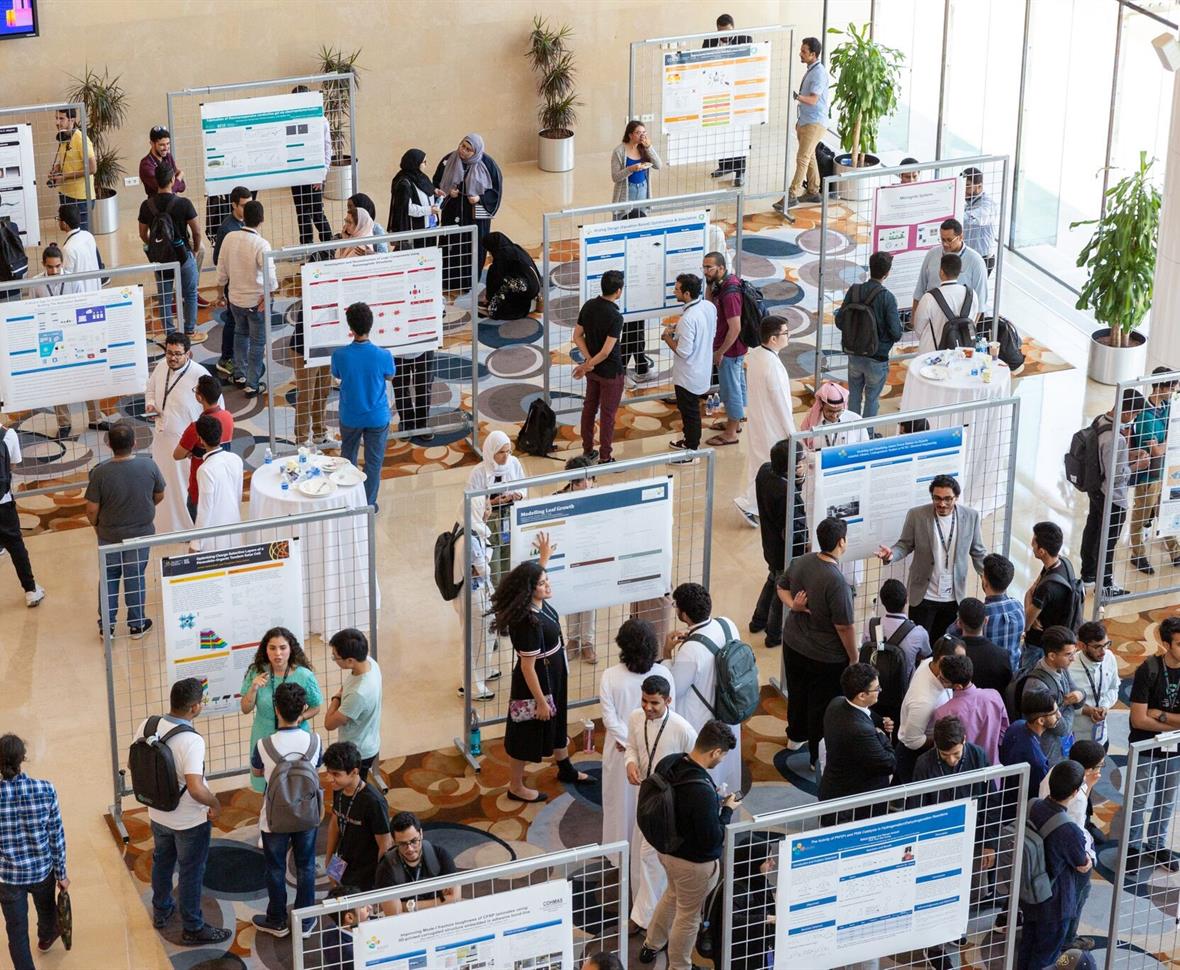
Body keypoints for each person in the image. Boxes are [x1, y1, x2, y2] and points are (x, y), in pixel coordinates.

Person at [492, 533, 592, 803]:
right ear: (530, 590)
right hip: (536, 681)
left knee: (558, 721)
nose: (548, 585)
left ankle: (565, 768)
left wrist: (543, 557)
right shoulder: (527, 622)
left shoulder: (536, 601)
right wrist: (539, 701)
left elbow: (537, 575)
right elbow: (527, 667)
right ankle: (515, 786)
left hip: (553, 673)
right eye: (543, 583)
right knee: (525, 732)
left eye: (547, 580)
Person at [639, 719, 740, 970]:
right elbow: (713, 838)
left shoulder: (671, 761)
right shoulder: (702, 791)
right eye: (722, 756)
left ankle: (651, 945)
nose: (721, 760)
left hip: (665, 849)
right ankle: (679, 966)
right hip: (693, 864)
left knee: (671, 895)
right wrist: (726, 810)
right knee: (688, 916)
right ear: (715, 752)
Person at [137, 678, 231, 945]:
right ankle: (193, 927)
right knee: (191, 872)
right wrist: (214, 804)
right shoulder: (191, 740)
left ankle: (162, 909)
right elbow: (195, 788)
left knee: (162, 862)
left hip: (157, 813)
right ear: (194, 707)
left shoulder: (148, 724)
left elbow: (137, 765)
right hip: (189, 820)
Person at [781, 517, 857, 767]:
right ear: (841, 542)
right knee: (821, 706)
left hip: (793, 643)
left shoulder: (802, 561)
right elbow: (844, 626)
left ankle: (795, 736)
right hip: (825, 656)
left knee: (797, 691)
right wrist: (854, 657)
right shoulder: (837, 582)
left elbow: (781, 588)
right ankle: (817, 756)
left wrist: (795, 606)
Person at [249, 681, 323, 939]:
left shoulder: (263, 745)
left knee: (275, 868)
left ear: (275, 708)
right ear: (303, 708)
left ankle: (276, 919)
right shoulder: (314, 741)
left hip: (274, 818)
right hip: (306, 815)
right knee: (306, 866)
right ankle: (305, 922)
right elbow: (317, 767)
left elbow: (258, 772)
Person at [624, 674, 697, 935]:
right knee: (645, 857)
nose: (647, 708)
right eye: (644, 701)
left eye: (654, 703)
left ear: (668, 700)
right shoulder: (635, 718)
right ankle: (646, 915)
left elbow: (695, 768)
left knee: (651, 858)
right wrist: (630, 763)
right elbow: (631, 747)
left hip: (669, 804)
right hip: (644, 796)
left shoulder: (683, 729)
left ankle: (647, 919)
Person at [876, 474, 988, 640]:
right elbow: (905, 544)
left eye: (948, 499)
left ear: (956, 497)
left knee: (945, 645)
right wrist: (891, 555)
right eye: (937, 498)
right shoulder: (917, 515)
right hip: (924, 595)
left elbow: (978, 551)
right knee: (919, 644)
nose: (942, 504)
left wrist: (989, 578)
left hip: (953, 596)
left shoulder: (971, 516)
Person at [86, 421, 165, 639]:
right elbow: (159, 495)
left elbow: (91, 509)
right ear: (135, 443)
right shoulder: (149, 466)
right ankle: (137, 624)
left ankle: (107, 627)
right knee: (135, 574)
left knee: (109, 576)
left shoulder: (99, 473)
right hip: (140, 534)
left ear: (109, 444)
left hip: (109, 535)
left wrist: (97, 526)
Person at [662, 582, 743, 793]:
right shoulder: (727, 624)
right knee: (727, 767)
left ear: (684, 614)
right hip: (730, 709)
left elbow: (673, 689)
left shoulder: (690, 650)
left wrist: (667, 654)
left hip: (703, 718)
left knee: (704, 776)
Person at [600, 620, 674, 847]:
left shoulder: (609, 676)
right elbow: (671, 713)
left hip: (619, 750)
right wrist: (641, 744)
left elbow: (609, 718)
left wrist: (628, 742)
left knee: (618, 803)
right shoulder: (664, 673)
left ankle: (617, 851)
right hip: (655, 748)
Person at [0, 734, 68, 968]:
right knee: (47, 909)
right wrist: (61, 874)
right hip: (42, 871)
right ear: (23, 759)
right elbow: (56, 836)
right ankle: (47, 937)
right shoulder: (45, 789)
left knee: (16, 933)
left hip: (8, 878)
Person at [1017, 760, 1091, 970]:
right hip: (1055, 902)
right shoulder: (1069, 830)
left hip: (1030, 892)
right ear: (1076, 791)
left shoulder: (1033, 805)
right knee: (1046, 956)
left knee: (1027, 944)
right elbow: (1082, 863)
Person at [30, 244, 109, 436]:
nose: (54, 271)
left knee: (88, 376)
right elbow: (31, 308)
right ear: (43, 265)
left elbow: (82, 306)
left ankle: (95, 418)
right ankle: (64, 423)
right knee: (57, 381)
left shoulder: (73, 280)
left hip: (76, 336)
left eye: (57, 266)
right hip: (50, 336)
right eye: (50, 267)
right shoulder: (36, 283)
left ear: (62, 264)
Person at [1125, 615, 1180, 872]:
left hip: (1175, 749)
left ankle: (1157, 845)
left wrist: (1157, 714)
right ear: (1167, 644)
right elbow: (1138, 720)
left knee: (1166, 799)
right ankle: (1133, 846)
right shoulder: (1149, 669)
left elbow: (1147, 716)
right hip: (1144, 745)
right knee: (1138, 798)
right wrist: (1173, 723)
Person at [240, 626, 323, 793]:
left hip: (296, 734)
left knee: (296, 785)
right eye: (272, 648)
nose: (278, 653)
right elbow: (245, 709)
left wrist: (300, 718)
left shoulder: (305, 675)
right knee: (267, 787)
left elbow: (316, 707)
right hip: (264, 734)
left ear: (291, 649)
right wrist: (254, 688)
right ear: (266, 649)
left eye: (283, 648)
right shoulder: (256, 672)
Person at [1081, 389, 1147, 598]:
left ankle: (1088, 574)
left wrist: (1128, 455)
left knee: (1092, 531)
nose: (1134, 419)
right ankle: (1106, 584)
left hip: (1095, 489)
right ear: (1127, 412)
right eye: (1135, 414)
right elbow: (1117, 477)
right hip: (1112, 498)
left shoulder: (1100, 420)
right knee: (1108, 542)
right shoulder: (1115, 438)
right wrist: (1138, 464)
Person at [331, 302, 395, 510]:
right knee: (373, 463)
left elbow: (337, 375)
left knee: (347, 459)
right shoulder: (384, 355)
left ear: (350, 328)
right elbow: (390, 376)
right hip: (377, 417)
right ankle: (368, 504)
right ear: (371, 324)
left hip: (350, 415)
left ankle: (348, 501)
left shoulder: (339, 356)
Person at [145, 331, 210, 534]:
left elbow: (213, 410)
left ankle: (187, 527)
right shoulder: (161, 366)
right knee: (163, 482)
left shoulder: (201, 375)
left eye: (178, 354)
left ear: (188, 353)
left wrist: (199, 443)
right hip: (161, 436)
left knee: (184, 486)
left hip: (186, 445)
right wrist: (150, 404)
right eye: (169, 353)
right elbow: (150, 389)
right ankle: (166, 526)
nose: (172, 358)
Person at [735, 314, 795, 526]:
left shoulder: (756, 355)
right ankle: (750, 504)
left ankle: (754, 503)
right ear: (773, 339)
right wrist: (792, 432)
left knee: (757, 462)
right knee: (768, 465)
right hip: (772, 424)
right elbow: (781, 403)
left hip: (758, 418)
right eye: (785, 333)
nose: (788, 336)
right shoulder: (772, 365)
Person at [217, 199, 276, 397]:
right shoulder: (262, 244)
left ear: (243, 216)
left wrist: (223, 289)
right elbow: (271, 278)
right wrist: (268, 295)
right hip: (255, 302)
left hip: (235, 299)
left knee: (240, 334)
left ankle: (240, 374)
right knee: (258, 343)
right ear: (263, 219)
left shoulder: (230, 237)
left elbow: (221, 269)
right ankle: (252, 383)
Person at [137, 164, 203, 337]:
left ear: (155, 181)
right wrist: (194, 250)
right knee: (190, 294)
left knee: (164, 297)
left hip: (162, 259)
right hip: (183, 255)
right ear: (173, 180)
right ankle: (189, 330)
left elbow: (142, 233)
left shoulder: (147, 205)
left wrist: (155, 247)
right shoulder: (184, 203)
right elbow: (196, 231)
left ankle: (170, 334)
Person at [836, 251, 902, 418]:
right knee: (872, 399)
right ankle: (866, 436)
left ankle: (850, 432)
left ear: (870, 268)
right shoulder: (887, 298)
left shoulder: (855, 291)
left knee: (854, 396)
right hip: (877, 357)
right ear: (887, 273)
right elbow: (896, 332)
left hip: (854, 353)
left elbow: (839, 321)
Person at [433, 134, 503, 291]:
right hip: (453, 213)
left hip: (475, 218)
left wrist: (479, 198)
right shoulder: (449, 160)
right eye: (462, 146)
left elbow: (496, 192)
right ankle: (448, 280)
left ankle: (468, 283)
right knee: (451, 245)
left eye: (468, 149)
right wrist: (448, 193)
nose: (462, 151)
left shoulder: (488, 165)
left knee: (473, 247)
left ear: (476, 152)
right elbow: (437, 183)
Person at [818, 662, 896, 802]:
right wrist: (881, 735)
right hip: (855, 800)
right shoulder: (860, 732)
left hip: (836, 786)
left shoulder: (836, 702)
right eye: (877, 688)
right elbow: (889, 763)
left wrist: (879, 722)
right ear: (861, 695)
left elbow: (864, 714)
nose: (880, 690)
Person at [322, 740, 393, 892]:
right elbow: (336, 822)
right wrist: (329, 860)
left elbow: (385, 845)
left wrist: (380, 882)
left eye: (336, 774)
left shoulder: (374, 802)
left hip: (366, 873)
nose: (329, 778)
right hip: (343, 861)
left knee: (358, 913)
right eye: (328, 772)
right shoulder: (340, 789)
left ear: (354, 772)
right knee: (340, 900)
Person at [896, 635, 966, 782]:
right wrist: (940, 739)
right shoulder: (923, 701)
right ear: (942, 661)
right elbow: (912, 740)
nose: (963, 665)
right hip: (915, 756)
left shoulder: (929, 663)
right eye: (958, 661)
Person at [1129, 369, 1179, 574]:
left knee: (1164, 511)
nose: (1173, 393)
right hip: (1147, 476)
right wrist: (1171, 439)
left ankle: (1175, 551)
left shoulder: (1167, 405)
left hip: (1165, 473)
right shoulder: (1145, 417)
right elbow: (1156, 451)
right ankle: (1137, 554)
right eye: (1171, 389)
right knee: (1141, 516)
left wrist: (1165, 441)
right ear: (1159, 387)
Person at [573, 269, 625, 463]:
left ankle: (587, 450)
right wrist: (589, 364)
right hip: (611, 373)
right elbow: (606, 352)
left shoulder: (589, 306)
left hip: (593, 372)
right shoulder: (615, 316)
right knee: (608, 415)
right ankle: (605, 456)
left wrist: (588, 362)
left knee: (589, 408)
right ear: (618, 291)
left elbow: (577, 336)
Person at [452, 494, 501, 701]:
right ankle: (473, 686)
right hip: (474, 596)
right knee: (475, 640)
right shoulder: (470, 538)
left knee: (485, 636)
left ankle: (484, 671)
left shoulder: (470, 529)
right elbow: (484, 571)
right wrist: (488, 555)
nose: (488, 512)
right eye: (485, 508)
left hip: (477, 593)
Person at [465, 430, 527, 585]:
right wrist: (492, 503)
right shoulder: (478, 472)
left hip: (509, 517)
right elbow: (471, 502)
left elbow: (523, 486)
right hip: (489, 521)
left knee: (510, 557)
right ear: (491, 451)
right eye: (500, 452)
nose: (506, 456)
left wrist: (516, 495)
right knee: (494, 563)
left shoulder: (514, 463)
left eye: (508, 451)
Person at [663, 273, 716, 453]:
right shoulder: (708, 306)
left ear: (686, 294)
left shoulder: (687, 319)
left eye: (677, 289)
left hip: (688, 374)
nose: (674, 291)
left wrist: (667, 338)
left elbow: (683, 351)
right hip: (703, 366)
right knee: (693, 410)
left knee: (689, 412)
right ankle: (690, 441)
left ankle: (691, 447)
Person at [750, 441, 794, 647]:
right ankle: (774, 634)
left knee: (772, 579)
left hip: (769, 544)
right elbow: (790, 530)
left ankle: (758, 620)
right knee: (780, 589)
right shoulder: (785, 493)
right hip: (782, 550)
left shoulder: (765, 472)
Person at [1020, 625, 1084, 765]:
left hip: (1060, 750)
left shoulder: (1061, 668)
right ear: (1052, 656)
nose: (1073, 658)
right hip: (1047, 754)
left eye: (1074, 653)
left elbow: (1079, 695)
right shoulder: (1038, 686)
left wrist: (1078, 695)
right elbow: (1062, 728)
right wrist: (1069, 705)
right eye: (1068, 654)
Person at [325, 628, 383, 782]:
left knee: (349, 791)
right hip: (368, 740)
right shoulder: (370, 662)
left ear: (350, 660)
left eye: (335, 657)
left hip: (357, 752)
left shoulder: (359, 694)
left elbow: (329, 723)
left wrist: (336, 698)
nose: (334, 659)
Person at [701, 251, 747, 447]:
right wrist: (710, 286)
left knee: (731, 390)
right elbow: (709, 306)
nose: (705, 271)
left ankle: (731, 433)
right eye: (703, 267)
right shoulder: (721, 286)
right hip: (730, 348)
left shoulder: (730, 293)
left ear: (721, 268)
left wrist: (720, 352)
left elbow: (735, 327)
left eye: (709, 268)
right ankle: (734, 423)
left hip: (730, 349)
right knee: (735, 386)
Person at [948, 552, 1024, 670]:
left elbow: (950, 635)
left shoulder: (978, 614)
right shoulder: (1018, 608)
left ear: (985, 581)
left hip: (982, 676)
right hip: (1011, 675)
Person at [374, 812, 460, 915]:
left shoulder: (439, 855)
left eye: (414, 841)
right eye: (402, 844)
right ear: (394, 841)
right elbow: (393, 912)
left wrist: (407, 905)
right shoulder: (386, 867)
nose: (409, 849)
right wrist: (441, 900)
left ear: (421, 833)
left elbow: (455, 898)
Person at [704, 14, 754, 188]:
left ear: (733, 28)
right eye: (720, 32)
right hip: (717, 95)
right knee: (720, 133)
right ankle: (724, 165)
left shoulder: (745, 39)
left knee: (738, 134)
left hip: (739, 96)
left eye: (726, 32)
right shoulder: (709, 42)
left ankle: (740, 171)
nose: (722, 36)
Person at [173, 374, 232, 522]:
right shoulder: (228, 417)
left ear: (199, 398)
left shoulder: (196, 428)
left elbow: (177, 455)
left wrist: (192, 451)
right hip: (224, 483)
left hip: (199, 489)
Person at [0, 410, 44, 608]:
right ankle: (30, 590)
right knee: (16, 544)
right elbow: (13, 466)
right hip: (3, 501)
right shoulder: (8, 435)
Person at [779, 36, 828, 211]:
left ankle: (792, 195)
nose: (800, 53)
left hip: (815, 122)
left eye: (804, 51)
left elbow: (814, 100)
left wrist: (798, 97)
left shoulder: (818, 73)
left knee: (802, 158)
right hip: (806, 121)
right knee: (810, 156)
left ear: (813, 54)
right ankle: (814, 191)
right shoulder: (812, 69)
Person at [932, 654, 1009, 764]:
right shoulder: (994, 696)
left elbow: (942, 749)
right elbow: (1004, 732)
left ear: (958, 686)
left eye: (943, 679)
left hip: (962, 773)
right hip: (993, 767)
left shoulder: (943, 712)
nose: (938, 678)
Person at [210, 186, 252, 378]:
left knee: (240, 322)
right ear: (234, 204)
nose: (247, 209)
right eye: (244, 205)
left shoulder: (247, 223)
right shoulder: (227, 229)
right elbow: (218, 259)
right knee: (232, 321)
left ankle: (239, 354)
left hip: (244, 283)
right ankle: (226, 358)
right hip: (232, 284)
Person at [911, 218, 988, 318]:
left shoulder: (976, 261)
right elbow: (920, 289)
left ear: (961, 237)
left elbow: (980, 303)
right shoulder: (932, 254)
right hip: (932, 317)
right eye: (942, 239)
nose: (945, 244)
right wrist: (914, 320)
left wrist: (968, 330)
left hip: (958, 321)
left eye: (949, 240)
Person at [188, 413, 243, 551]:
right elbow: (238, 494)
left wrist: (196, 543)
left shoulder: (205, 470)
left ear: (201, 439)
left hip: (214, 535)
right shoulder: (236, 459)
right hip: (234, 522)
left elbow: (204, 510)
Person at [865, 576, 933, 685]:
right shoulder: (918, 632)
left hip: (874, 685)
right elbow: (926, 656)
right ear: (906, 600)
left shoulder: (873, 625)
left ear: (882, 601)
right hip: (904, 690)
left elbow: (877, 647)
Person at [290, 84, 333, 246]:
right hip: (296, 174)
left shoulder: (320, 120)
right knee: (301, 212)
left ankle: (328, 244)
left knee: (316, 212)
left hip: (315, 174)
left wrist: (322, 173)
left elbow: (327, 147)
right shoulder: (291, 118)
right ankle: (306, 246)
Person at [999, 688, 1059, 803]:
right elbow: (1038, 797)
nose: (1059, 716)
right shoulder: (1037, 762)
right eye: (1054, 713)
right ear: (1041, 721)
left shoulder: (1017, 726)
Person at [289, 302, 334, 448]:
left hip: (326, 349)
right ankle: (302, 440)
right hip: (304, 351)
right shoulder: (310, 293)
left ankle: (320, 433)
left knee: (323, 392)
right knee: (306, 396)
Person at [913, 252, 975, 354]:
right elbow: (971, 319)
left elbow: (918, 328)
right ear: (959, 272)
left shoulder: (929, 298)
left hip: (932, 352)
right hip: (961, 352)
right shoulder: (971, 295)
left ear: (941, 272)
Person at [950, 596, 1013, 695]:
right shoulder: (1002, 655)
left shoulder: (952, 655)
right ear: (985, 621)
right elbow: (1007, 685)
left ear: (959, 623)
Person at [1071, 621, 1118, 748]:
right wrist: (1086, 710)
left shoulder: (1109, 657)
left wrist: (1105, 706)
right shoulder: (1069, 667)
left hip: (1101, 735)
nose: (1103, 651)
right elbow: (1061, 703)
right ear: (1081, 645)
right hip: (1076, 738)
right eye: (1097, 647)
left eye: (1106, 644)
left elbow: (1114, 688)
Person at [47, 108, 95, 232]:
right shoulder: (64, 137)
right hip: (65, 194)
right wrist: (57, 168)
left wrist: (64, 177)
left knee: (83, 238)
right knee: (73, 236)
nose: (57, 122)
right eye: (56, 118)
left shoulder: (81, 139)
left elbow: (92, 168)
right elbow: (69, 160)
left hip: (81, 198)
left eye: (61, 118)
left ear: (72, 120)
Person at [912, 714, 990, 784]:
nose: (951, 760)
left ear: (964, 739)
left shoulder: (978, 755)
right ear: (936, 745)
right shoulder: (924, 764)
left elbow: (991, 794)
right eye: (944, 754)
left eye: (956, 753)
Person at [480, 231, 540, 320]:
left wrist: (489, 298)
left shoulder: (501, 258)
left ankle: (496, 310)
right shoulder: (516, 248)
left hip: (527, 289)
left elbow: (494, 281)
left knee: (500, 281)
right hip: (534, 286)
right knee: (507, 279)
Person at [611, 120, 662, 216]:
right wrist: (630, 169)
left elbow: (658, 165)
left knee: (641, 220)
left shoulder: (645, 148)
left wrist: (649, 147)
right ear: (630, 135)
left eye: (644, 132)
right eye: (638, 133)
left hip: (643, 188)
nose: (642, 136)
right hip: (627, 191)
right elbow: (615, 177)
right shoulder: (619, 152)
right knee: (624, 220)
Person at [388, 148, 441, 234]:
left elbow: (427, 191)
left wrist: (436, 192)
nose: (426, 164)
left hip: (430, 225)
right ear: (415, 163)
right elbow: (407, 208)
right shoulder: (404, 183)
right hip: (416, 229)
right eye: (424, 162)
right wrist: (429, 210)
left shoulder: (422, 177)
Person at [961, 167, 998, 273]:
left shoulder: (988, 204)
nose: (963, 189)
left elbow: (978, 218)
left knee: (976, 290)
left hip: (983, 259)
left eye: (967, 185)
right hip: (967, 256)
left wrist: (955, 214)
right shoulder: (967, 204)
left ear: (979, 186)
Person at [57, 202, 100, 283]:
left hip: (80, 292)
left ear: (64, 223)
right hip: (94, 286)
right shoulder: (88, 236)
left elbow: (67, 277)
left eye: (58, 219)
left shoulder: (68, 249)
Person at [138, 126, 186, 197]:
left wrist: (176, 183)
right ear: (152, 143)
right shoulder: (146, 164)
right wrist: (180, 176)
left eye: (168, 144)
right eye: (162, 145)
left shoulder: (168, 157)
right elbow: (167, 190)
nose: (166, 148)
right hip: (156, 205)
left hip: (172, 201)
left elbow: (182, 187)